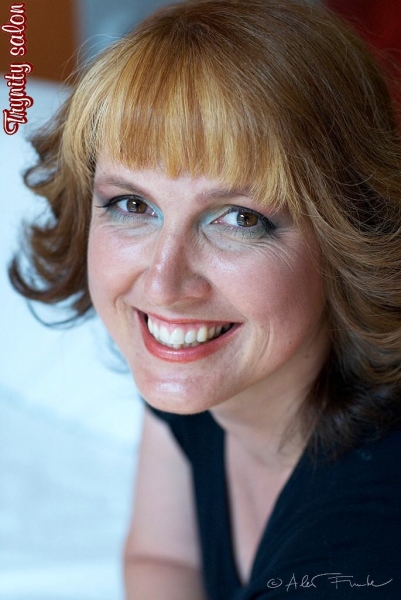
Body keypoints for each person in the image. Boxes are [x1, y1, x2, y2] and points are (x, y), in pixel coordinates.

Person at [9, 0, 401, 598]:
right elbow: (163, 558)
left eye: (239, 218)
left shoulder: (364, 546)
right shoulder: (206, 369)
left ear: (348, 237)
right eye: (133, 204)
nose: (163, 284)